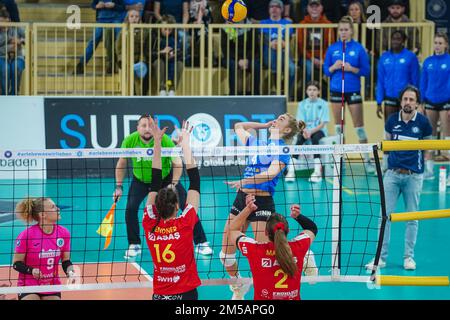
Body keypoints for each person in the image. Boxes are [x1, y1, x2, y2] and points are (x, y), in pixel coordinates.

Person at [220, 113, 305, 300]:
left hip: (262, 203)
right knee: (225, 255)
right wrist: (263, 125)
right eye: (278, 117)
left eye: (281, 119)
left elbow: (270, 174)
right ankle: (238, 285)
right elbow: (239, 126)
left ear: (288, 130)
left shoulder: (282, 149)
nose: (277, 119)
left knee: (266, 255)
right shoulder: (259, 143)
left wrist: (245, 180)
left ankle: (305, 255)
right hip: (242, 199)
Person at [113, 114, 212, 259]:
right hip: (139, 180)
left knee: (186, 205)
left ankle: (201, 242)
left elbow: (177, 163)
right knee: (131, 208)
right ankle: (134, 244)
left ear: (156, 127)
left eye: (151, 125)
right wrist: (119, 186)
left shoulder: (165, 140)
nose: (147, 129)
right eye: (144, 125)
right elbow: (122, 163)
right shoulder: (129, 141)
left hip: (165, 179)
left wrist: (173, 184)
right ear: (137, 128)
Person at [366, 86, 432, 271]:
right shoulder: (392, 120)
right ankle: (380, 258)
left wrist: (422, 169)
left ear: (417, 104)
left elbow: (428, 148)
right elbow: (386, 146)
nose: (408, 102)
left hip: (413, 177)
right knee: (383, 217)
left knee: (412, 217)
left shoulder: (424, 123)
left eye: (412, 99)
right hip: (392, 175)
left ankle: (408, 257)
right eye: (405, 99)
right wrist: (387, 168)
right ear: (401, 101)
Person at [142, 118, 201, 300]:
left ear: (156, 207)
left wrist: (157, 142)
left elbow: (155, 181)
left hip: (160, 295)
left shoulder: (149, 221)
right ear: (177, 206)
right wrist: (185, 144)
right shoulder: (185, 223)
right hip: (186, 293)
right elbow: (195, 181)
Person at [227, 195, 317, 300]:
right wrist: (298, 216)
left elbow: (232, 230)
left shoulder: (254, 249)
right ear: (287, 231)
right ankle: (306, 257)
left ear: (265, 232)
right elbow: (312, 228)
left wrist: (248, 209)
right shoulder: (298, 247)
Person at [323, 15, 374, 173]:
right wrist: (334, 67)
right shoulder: (333, 48)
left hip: (353, 91)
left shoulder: (359, 48)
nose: (343, 32)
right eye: (341, 30)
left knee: (359, 128)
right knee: (339, 128)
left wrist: (352, 69)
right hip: (336, 90)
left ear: (351, 31)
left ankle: (367, 160)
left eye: (346, 30)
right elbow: (326, 70)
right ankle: (341, 160)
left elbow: (366, 71)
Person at [12, 197, 77, 300]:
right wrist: (31, 270)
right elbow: (16, 264)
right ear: (42, 214)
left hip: (51, 285)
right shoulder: (27, 235)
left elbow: (66, 261)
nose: (58, 209)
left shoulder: (64, 233)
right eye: (53, 207)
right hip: (28, 285)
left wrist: (71, 273)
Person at [286, 80, 330, 183]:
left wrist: (311, 131)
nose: (312, 92)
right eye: (310, 89)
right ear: (306, 91)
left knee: (315, 139)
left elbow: (323, 123)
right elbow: (300, 122)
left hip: (319, 130)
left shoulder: (323, 104)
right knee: (299, 140)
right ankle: (291, 172)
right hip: (305, 130)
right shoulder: (302, 104)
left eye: (314, 90)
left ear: (318, 92)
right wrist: (305, 131)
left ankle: (317, 172)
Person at [421, 32, 450, 180]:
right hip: (430, 102)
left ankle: (449, 173)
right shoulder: (428, 61)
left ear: (446, 45)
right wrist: (421, 102)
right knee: (430, 136)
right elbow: (423, 83)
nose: (437, 46)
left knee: (448, 137)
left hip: (446, 102)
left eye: (440, 43)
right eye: (435, 43)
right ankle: (429, 170)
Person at [376, 30, 420, 122]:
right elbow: (380, 81)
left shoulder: (411, 57)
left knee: (405, 129)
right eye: (393, 39)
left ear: (403, 41)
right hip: (389, 98)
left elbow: (415, 80)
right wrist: (379, 102)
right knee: (390, 128)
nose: (395, 41)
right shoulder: (384, 57)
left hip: (406, 99)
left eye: (398, 39)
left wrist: (416, 100)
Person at [75, 0, 125, 75]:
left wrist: (114, 5)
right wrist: (97, 6)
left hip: (115, 20)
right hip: (101, 20)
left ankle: (121, 62)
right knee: (93, 41)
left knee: (121, 40)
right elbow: (93, 5)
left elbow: (122, 7)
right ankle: (81, 64)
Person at [260, 0, 296, 98]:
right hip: (269, 52)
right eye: (272, 7)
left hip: (283, 52)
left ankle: (287, 95)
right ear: (268, 9)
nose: (274, 9)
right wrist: (273, 43)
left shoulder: (287, 23)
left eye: (277, 7)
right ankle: (278, 91)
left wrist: (281, 42)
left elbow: (288, 38)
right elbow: (264, 37)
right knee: (273, 51)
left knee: (292, 69)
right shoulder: (263, 22)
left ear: (282, 9)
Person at [297, 0, 334, 85]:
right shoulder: (301, 25)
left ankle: (331, 94)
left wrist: (323, 59)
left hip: (324, 57)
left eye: (317, 6)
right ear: (307, 8)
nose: (314, 9)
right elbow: (301, 46)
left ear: (321, 8)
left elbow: (330, 45)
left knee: (334, 67)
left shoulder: (328, 24)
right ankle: (308, 94)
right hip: (307, 58)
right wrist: (312, 59)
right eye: (312, 6)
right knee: (309, 69)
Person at [220, 18, 261, 95]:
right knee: (231, 64)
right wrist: (238, 59)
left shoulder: (251, 27)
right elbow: (225, 48)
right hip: (232, 57)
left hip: (248, 57)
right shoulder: (227, 27)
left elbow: (255, 47)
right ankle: (232, 94)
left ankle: (256, 94)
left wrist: (247, 59)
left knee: (256, 65)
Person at [115, 9, 150, 96]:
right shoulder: (123, 31)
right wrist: (122, 60)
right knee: (130, 74)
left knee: (145, 74)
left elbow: (145, 48)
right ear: (128, 18)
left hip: (141, 59)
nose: (134, 18)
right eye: (132, 16)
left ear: (139, 19)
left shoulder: (145, 31)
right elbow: (118, 48)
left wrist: (143, 60)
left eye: (136, 16)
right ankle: (133, 95)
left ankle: (142, 96)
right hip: (127, 60)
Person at [151, 14, 184, 96]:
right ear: (160, 27)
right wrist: (161, 52)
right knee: (159, 62)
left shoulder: (176, 36)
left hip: (172, 60)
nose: (167, 32)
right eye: (165, 29)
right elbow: (149, 53)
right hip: (158, 60)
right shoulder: (153, 36)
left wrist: (174, 54)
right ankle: (162, 89)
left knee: (179, 64)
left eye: (170, 30)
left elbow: (181, 52)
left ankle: (172, 89)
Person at [0, 9, 25, 95]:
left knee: (16, 67)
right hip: (2, 57)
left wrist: (20, 41)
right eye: (1, 22)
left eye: (4, 22)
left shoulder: (16, 27)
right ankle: (4, 94)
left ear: (9, 20)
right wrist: (11, 42)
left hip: (18, 56)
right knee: (5, 69)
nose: (3, 25)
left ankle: (14, 93)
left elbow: (28, 37)